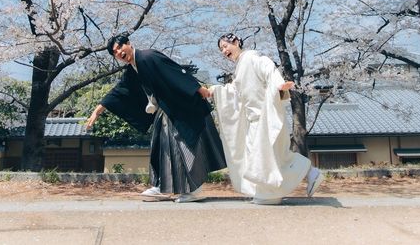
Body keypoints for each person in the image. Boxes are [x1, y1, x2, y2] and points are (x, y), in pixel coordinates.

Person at [85, 33, 226, 203]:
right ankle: (162, 186)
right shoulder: (133, 68)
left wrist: (197, 88)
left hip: (182, 108)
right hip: (168, 110)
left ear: (129, 43)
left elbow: (175, 71)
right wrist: (98, 110)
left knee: (183, 147)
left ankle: (192, 189)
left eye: (120, 47)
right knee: (161, 145)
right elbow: (119, 90)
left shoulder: (148, 56)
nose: (119, 53)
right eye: (115, 53)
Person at [210, 33, 323, 205]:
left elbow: (268, 67)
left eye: (225, 46)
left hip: (265, 116)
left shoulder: (251, 57)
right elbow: (235, 90)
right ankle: (305, 174)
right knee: (272, 157)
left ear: (236, 42)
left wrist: (279, 85)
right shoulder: (240, 66)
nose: (224, 51)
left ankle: (271, 194)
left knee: (267, 157)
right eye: (221, 49)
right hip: (255, 119)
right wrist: (216, 91)